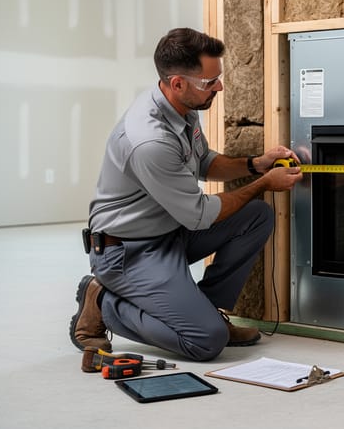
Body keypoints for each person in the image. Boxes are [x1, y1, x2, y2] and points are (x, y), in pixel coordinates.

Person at [69, 27, 303, 361]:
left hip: (170, 232)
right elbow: (200, 214)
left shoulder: (183, 107)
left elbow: (204, 162)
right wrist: (264, 183)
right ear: (177, 83)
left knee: (256, 216)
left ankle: (207, 311)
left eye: (217, 79)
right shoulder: (149, 140)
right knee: (206, 342)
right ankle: (104, 302)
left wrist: (256, 164)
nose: (218, 86)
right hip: (129, 252)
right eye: (210, 82)